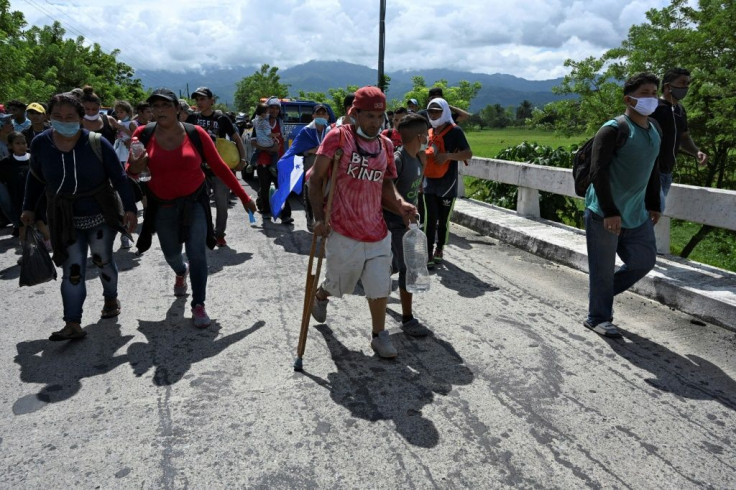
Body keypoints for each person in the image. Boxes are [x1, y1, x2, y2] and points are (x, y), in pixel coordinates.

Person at [127, 88, 257, 328]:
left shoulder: (195, 133)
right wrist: (136, 166)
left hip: (194, 202)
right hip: (163, 206)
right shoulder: (142, 134)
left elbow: (219, 166)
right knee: (171, 254)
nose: (160, 111)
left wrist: (244, 196)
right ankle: (180, 271)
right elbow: (131, 173)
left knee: (197, 253)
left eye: (166, 106)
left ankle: (199, 304)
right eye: (155, 107)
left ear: (178, 109)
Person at [309, 86, 417, 358]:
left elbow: (386, 185)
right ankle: (321, 295)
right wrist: (319, 218)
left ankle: (379, 336)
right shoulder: (338, 138)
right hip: (343, 228)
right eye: (369, 116)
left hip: (377, 229)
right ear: (355, 114)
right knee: (340, 283)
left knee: (380, 283)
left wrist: (400, 204)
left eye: (379, 117)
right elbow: (316, 179)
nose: (375, 123)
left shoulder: (386, 146)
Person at [21, 92, 138, 341]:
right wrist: (28, 207)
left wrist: (130, 208)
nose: (64, 120)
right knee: (73, 269)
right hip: (63, 217)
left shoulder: (96, 142)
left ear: (80, 117)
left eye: (70, 116)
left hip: (99, 213)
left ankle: (110, 298)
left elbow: (119, 177)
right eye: (57, 116)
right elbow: (35, 177)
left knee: (102, 259)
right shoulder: (42, 143)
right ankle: (72, 322)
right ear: (50, 117)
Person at [583, 73, 662, 338]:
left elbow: (652, 169)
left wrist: (654, 203)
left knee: (644, 260)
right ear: (629, 99)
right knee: (602, 268)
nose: (652, 98)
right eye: (645, 93)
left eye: (654, 92)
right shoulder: (613, 129)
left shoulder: (655, 130)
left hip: (637, 212)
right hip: (604, 213)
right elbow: (597, 172)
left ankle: (601, 292)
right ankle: (598, 317)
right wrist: (610, 211)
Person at [383, 113, 432, 337]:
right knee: (405, 268)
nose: (429, 138)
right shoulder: (398, 160)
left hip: (408, 224)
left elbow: (414, 193)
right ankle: (407, 318)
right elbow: (384, 195)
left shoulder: (418, 159)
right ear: (420, 135)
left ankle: (377, 284)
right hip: (392, 223)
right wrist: (401, 213)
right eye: (427, 134)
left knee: (399, 266)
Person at [190, 87, 249, 245]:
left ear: (212, 101)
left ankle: (220, 234)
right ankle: (206, 232)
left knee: (222, 204)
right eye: (197, 99)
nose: (199, 102)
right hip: (198, 169)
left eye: (203, 99)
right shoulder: (192, 118)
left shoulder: (221, 119)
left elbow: (237, 139)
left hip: (219, 168)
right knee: (199, 204)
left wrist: (242, 159)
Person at [422, 98, 473, 266]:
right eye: (431, 111)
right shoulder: (429, 132)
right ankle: (428, 252)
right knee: (430, 219)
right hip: (429, 181)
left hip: (448, 183)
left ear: (445, 112)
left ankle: (439, 248)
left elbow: (468, 154)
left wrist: (448, 156)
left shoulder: (455, 131)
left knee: (443, 221)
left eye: (437, 111)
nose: (434, 114)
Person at [650, 68, 708, 212]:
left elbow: (684, 137)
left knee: (655, 215)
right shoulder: (654, 108)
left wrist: (696, 152)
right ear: (667, 86)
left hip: (666, 174)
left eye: (688, 83)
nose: (686, 87)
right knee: (651, 214)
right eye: (682, 83)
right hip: (651, 174)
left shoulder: (680, 110)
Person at [0, 131, 51, 251]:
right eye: (17, 143)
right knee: (23, 227)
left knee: (41, 223)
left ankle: (49, 244)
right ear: (10, 146)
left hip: (38, 199)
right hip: (19, 201)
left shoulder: (34, 158)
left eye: (24, 142)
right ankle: (26, 251)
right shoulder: (6, 164)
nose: (22, 145)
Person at [252, 96, 292, 223]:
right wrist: (267, 149)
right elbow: (252, 141)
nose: (274, 111)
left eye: (276, 108)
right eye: (271, 108)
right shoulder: (260, 122)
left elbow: (284, 141)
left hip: (278, 160)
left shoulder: (280, 123)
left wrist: (284, 156)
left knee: (282, 187)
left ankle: (285, 215)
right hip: (263, 160)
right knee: (264, 188)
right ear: (267, 109)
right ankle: (266, 211)